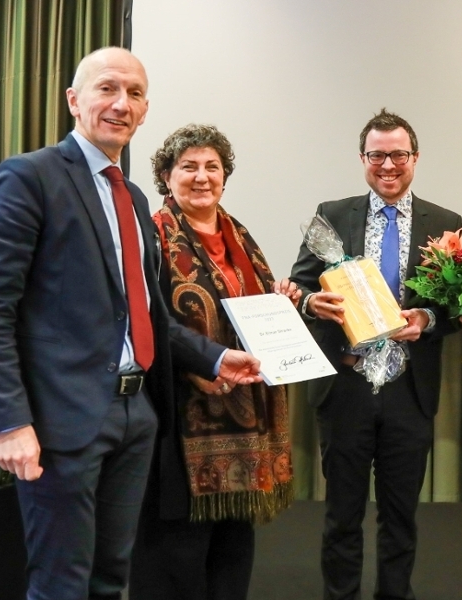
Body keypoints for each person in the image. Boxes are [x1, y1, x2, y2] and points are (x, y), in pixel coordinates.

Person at [0, 48, 261, 600]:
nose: (122, 103)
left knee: (109, 580)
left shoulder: (134, 197)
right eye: (108, 88)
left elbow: (148, 316)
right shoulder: (30, 177)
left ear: (145, 111)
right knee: (60, 585)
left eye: (135, 93)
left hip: (134, 417)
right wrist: (10, 422)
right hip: (60, 421)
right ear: (74, 101)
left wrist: (215, 357)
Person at [289, 108, 462, 600]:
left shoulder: (445, 224)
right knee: (342, 515)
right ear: (363, 158)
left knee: (400, 516)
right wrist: (311, 302)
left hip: (409, 391)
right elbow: (300, 287)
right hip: (346, 385)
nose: (388, 166)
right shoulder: (332, 215)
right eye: (377, 156)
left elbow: (455, 308)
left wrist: (426, 319)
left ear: (415, 158)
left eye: (399, 155)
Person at [128, 124, 298, 600]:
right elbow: (143, 320)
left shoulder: (238, 233)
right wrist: (195, 369)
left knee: (231, 552)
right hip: (179, 418)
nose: (202, 177)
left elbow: (247, 309)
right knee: (175, 557)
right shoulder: (151, 235)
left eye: (212, 167)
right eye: (189, 167)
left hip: (246, 425)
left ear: (225, 176)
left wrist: (282, 301)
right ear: (166, 176)